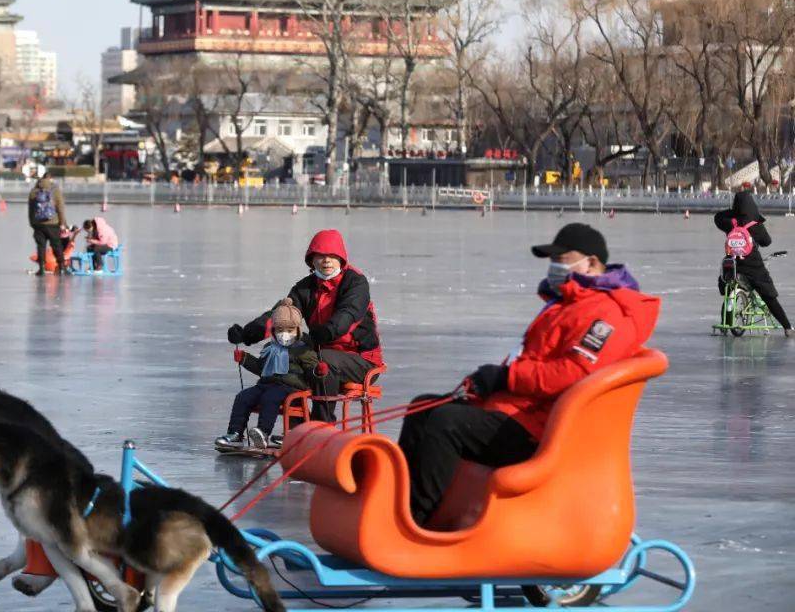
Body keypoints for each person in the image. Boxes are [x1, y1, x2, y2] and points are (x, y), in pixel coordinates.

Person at [397, 223, 659, 527]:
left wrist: (505, 378)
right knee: (424, 408)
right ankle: (395, 501)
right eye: (554, 260)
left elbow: (573, 373)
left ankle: (414, 521)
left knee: (446, 425)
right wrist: (490, 382)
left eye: (563, 259)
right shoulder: (567, 304)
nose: (555, 266)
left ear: (590, 262)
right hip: (518, 411)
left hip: (540, 428)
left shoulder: (607, 314)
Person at [228, 229, 383, 422]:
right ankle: (296, 429)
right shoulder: (305, 287)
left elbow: (349, 313)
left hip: (361, 360)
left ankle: (321, 425)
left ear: (341, 258)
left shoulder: (355, 283)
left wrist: (328, 331)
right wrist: (246, 334)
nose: (326, 260)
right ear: (312, 260)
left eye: (332, 255)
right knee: (290, 357)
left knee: (320, 360)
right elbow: (281, 316)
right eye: (320, 255)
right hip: (320, 352)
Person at [215, 300, 317, 450]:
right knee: (243, 397)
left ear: (298, 329)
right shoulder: (270, 347)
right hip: (266, 384)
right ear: (274, 330)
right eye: (280, 329)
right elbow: (261, 368)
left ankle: (263, 432)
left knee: (270, 397)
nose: (285, 334)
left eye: (290, 330)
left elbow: (312, 368)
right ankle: (235, 434)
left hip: (291, 388)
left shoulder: (303, 349)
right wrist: (244, 359)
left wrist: (318, 371)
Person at [714, 191, 792, 336]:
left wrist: (733, 212)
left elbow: (717, 217)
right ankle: (787, 327)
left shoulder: (729, 222)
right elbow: (767, 242)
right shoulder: (754, 224)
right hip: (753, 267)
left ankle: (725, 323)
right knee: (769, 297)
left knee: (729, 291)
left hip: (732, 265)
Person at [28, 170, 68, 276]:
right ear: (50, 179)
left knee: (41, 247)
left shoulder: (34, 191)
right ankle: (62, 267)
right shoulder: (55, 190)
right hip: (53, 223)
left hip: (38, 224)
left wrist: (32, 223)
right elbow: (60, 208)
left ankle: (41, 269)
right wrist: (63, 223)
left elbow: (31, 209)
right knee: (57, 245)